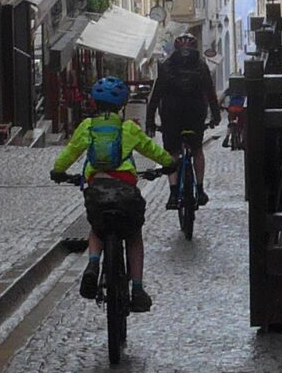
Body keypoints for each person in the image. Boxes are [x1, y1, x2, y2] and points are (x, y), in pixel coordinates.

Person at [50, 76, 175, 313]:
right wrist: (168, 164)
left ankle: (93, 265)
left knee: (96, 227)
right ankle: (137, 290)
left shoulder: (87, 127)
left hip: (96, 189)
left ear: (94, 104)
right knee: (134, 234)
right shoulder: (129, 128)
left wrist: (58, 172)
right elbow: (154, 151)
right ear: (122, 105)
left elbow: (70, 153)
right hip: (126, 191)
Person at [145, 33, 221, 209]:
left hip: (171, 116)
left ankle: (173, 193)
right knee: (197, 151)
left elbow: (155, 97)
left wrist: (150, 121)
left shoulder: (165, 66)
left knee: (172, 153)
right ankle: (200, 189)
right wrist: (215, 117)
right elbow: (210, 94)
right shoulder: (201, 66)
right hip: (195, 115)